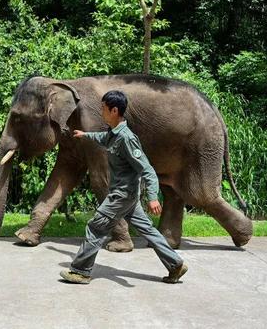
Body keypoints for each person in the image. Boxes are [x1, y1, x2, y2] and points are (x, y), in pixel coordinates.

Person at [59, 90, 188, 284]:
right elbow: (105, 138)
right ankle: (175, 264)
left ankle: (80, 271)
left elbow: (148, 170)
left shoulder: (127, 138)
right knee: (148, 230)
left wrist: (153, 197)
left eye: (103, 108)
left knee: (95, 228)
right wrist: (86, 135)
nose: (101, 111)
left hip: (121, 196)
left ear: (114, 110)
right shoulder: (114, 133)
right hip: (127, 197)